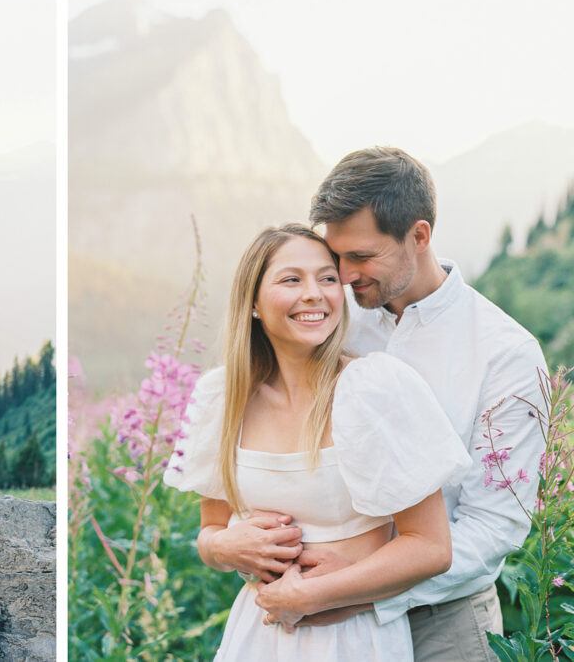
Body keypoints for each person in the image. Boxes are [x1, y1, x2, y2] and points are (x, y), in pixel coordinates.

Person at [201, 147, 547, 662]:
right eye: (334, 256)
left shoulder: (505, 354)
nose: (341, 275)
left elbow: (495, 525)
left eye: (361, 257)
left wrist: (358, 590)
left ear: (420, 236)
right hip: (304, 622)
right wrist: (224, 542)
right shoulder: (333, 318)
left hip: (443, 622)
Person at [164, 223, 473, 660]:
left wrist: (317, 595)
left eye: (327, 278)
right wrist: (221, 546)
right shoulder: (222, 397)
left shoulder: (372, 388)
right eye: (292, 279)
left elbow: (431, 548)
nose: (314, 293)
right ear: (252, 302)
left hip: (353, 635)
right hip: (259, 632)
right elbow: (210, 531)